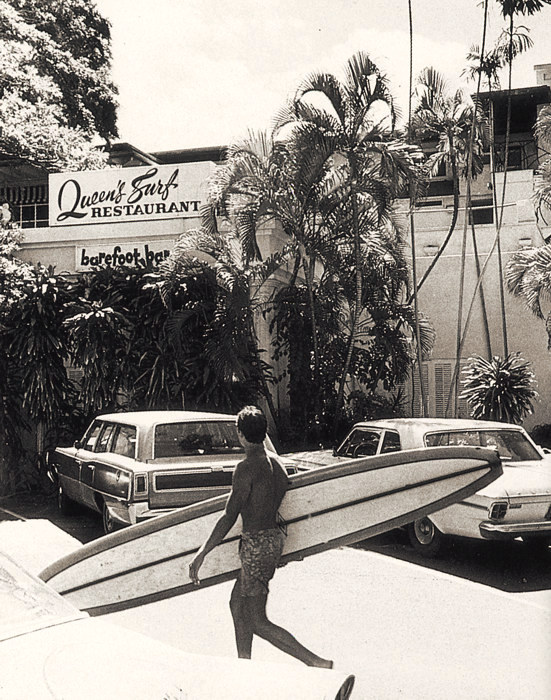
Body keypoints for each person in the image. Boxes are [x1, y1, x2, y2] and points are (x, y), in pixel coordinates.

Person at [188, 405, 333, 668]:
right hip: (272, 539)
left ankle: (316, 662)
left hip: (256, 545)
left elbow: (229, 516)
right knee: (236, 604)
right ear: (264, 433)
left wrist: (202, 553)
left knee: (256, 620)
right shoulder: (277, 465)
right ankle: (245, 665)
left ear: (240, 435)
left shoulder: (246, 468)